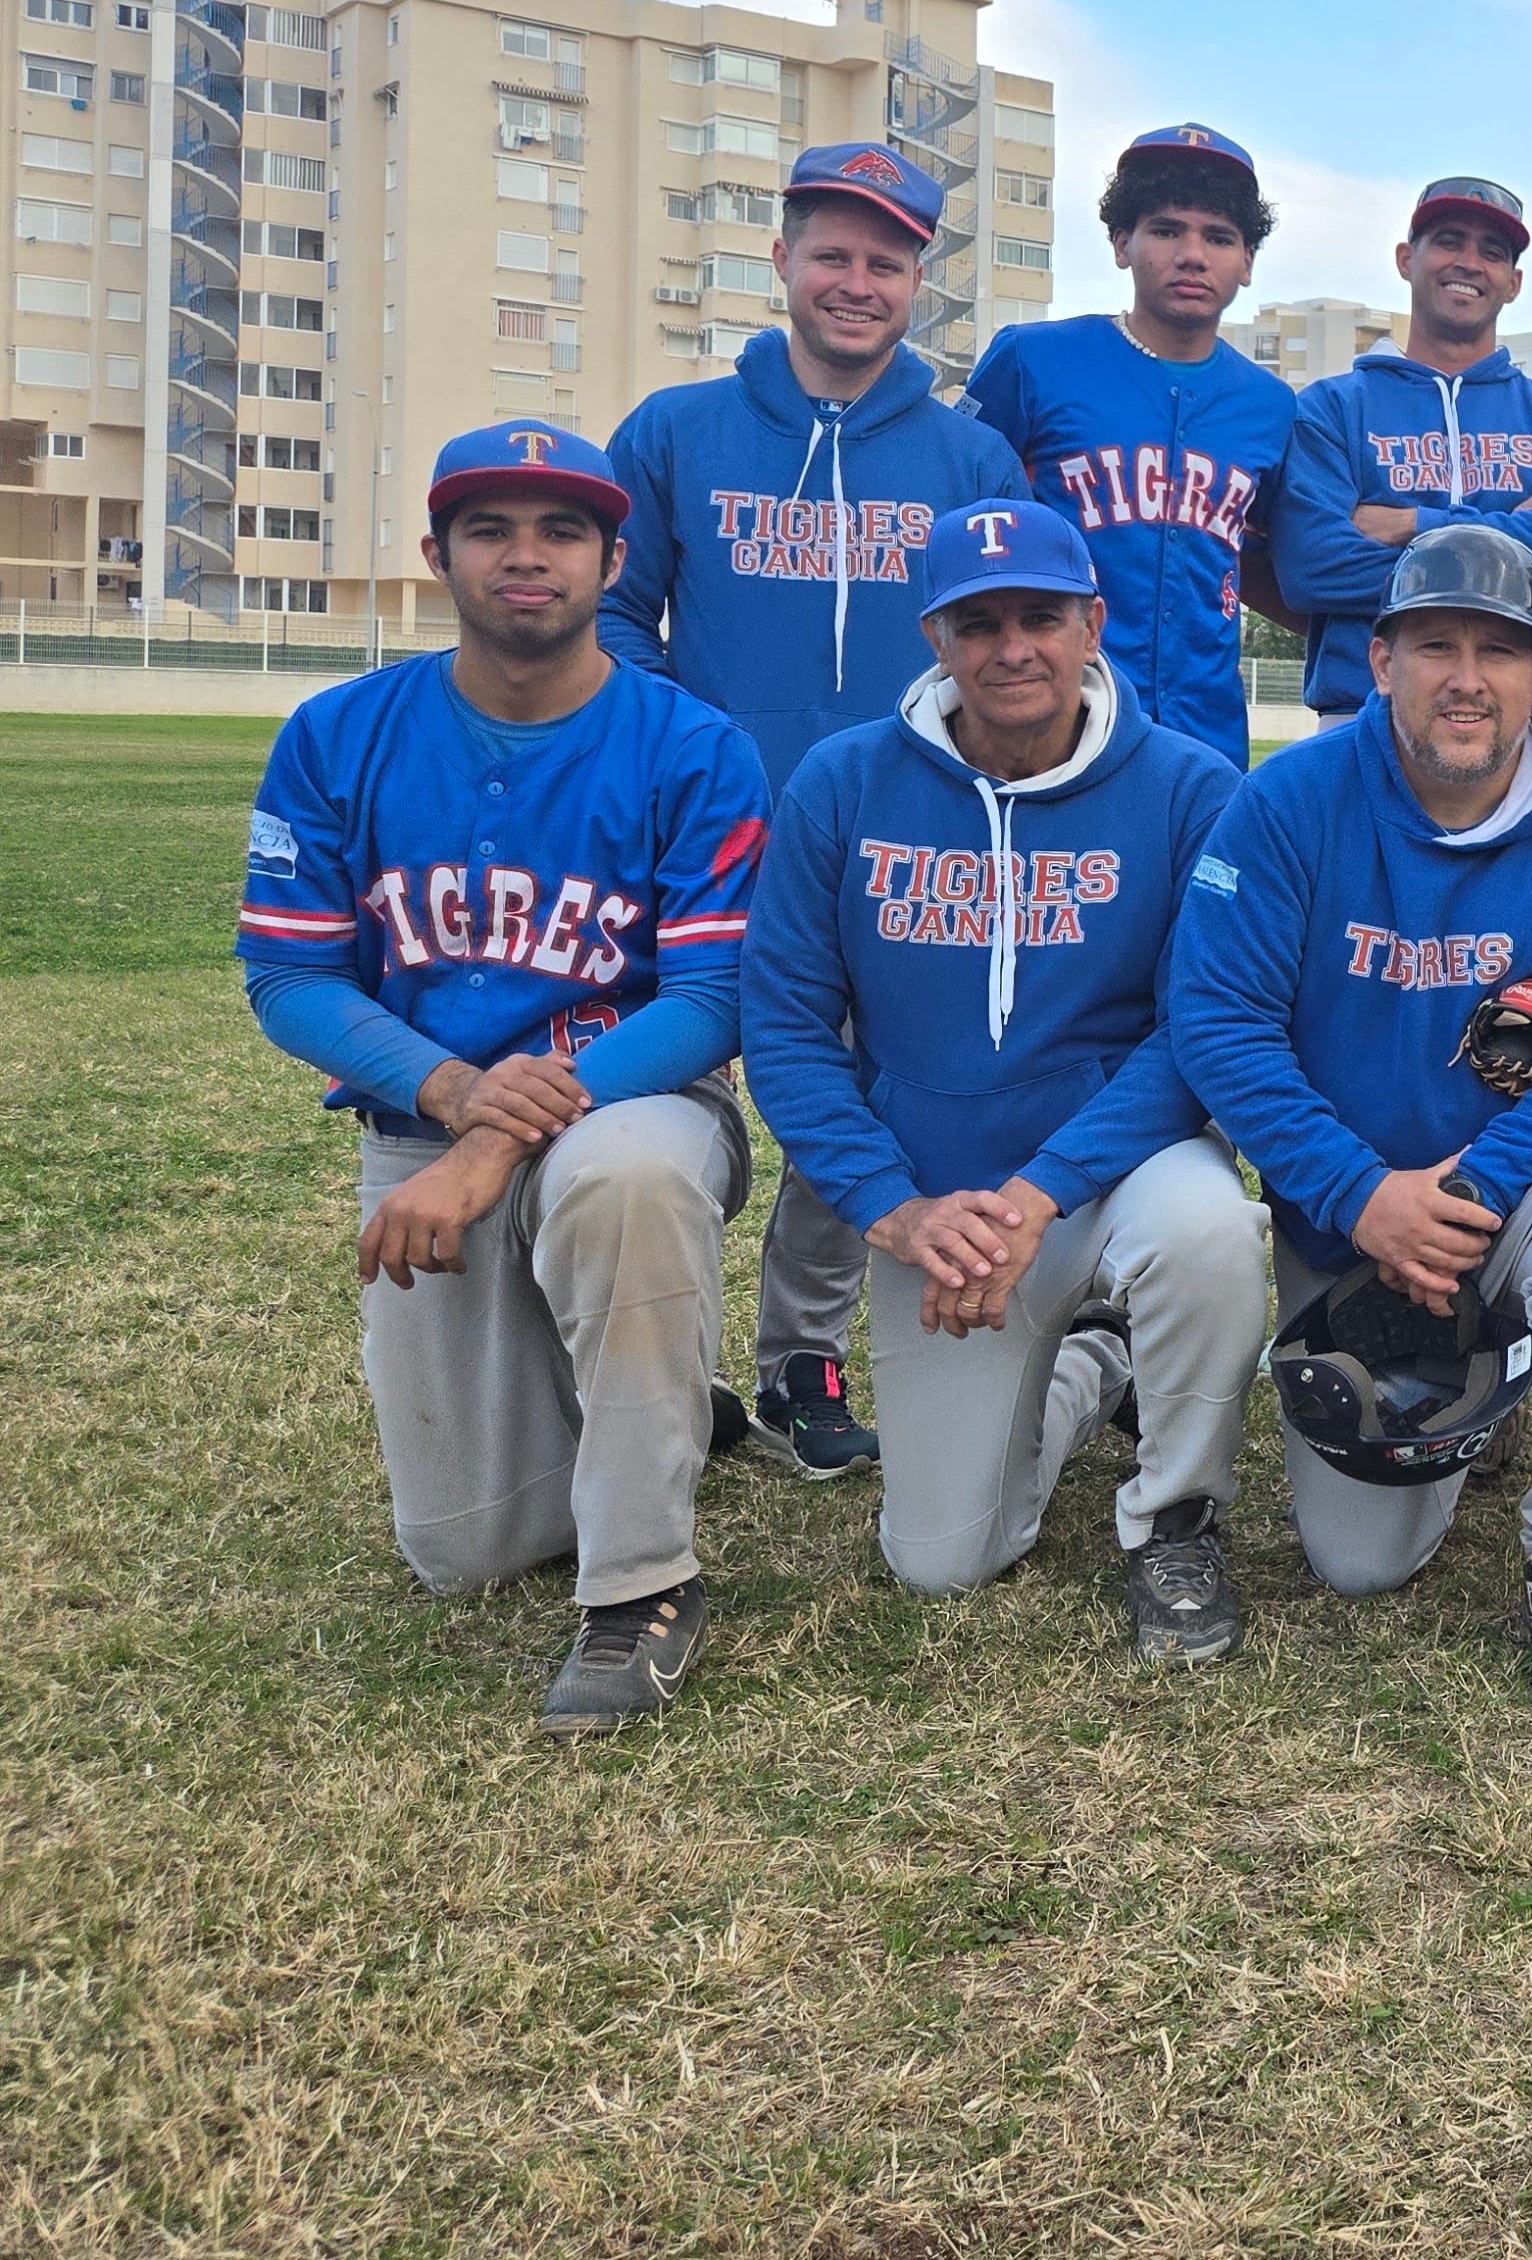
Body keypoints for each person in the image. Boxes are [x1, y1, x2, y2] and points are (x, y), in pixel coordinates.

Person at [236, 422, 767, 1733]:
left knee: (625, 1181)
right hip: (430, 1118)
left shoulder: (693, 746)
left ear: (611, 559)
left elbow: (709, 996)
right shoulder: (338, 733)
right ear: (437, 553)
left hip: (632, 1103)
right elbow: (291, 978)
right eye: (491, 528)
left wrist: (499, 1134)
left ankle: (644, 1584)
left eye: (561, 530)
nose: (526, 556)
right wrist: (454, 1098)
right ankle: (658, 1392)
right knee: (465, 1551)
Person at [1167, 524, 1532, 1706]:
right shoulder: (1290, 799)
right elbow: (1217, 1021)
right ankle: (1486, 1382)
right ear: (1381, 658)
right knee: (1362, 1566)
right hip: (1343, 1219)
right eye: (1435, 644)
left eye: (1499, 650)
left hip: (1504, 1194)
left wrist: (1463, 1193)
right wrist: (1361, 1195)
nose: (1467, 676)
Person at [741, 501, 1264, 1660]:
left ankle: (1175, 1515)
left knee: (1211, 1231)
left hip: (1115, 1169)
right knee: (942, 1560)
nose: (1011, 647)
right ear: (936, 635)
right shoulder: (842, 782)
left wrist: (1040, 1194)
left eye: (1040, 616)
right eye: (978, 622)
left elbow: (1200, 1032)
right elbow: (782, 1023)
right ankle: (1093, 1361)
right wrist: (896, 1205)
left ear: (1093, 622)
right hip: (939, 1202)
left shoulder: (1189, 787)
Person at [604, 138, 1022, 1479]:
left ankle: (799, 1358)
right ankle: (656, 1372)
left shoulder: (969, 457)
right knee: (667, 1110)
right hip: (706, 843)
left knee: (857, 1103)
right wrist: (692, 766)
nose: (857, 281)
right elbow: (620, 618)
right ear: (781, 260)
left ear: (918, 284)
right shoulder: (675, 433)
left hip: (889, 842)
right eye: (832, 252)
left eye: (886, 260)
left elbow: (1004, 653)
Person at [961, 122, 1296, 768]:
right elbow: (956, 517)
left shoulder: (1271, 407)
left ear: (1247, 262)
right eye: (1167, 230)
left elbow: (1272, 562)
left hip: (1209, 736)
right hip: (1050, 728)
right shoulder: (1033, 361)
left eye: (1220, 237)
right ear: (1122, 242)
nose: (1193, 255)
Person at [1269, 175, 1532, 737]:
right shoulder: (1331, 409)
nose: (1470, 262)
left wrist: (1414, 523)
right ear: (1407, 258)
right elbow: (1310, 566)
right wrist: (1516, 541)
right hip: (1362, 714)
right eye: (1449, 241)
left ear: (1514, 282)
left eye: (1493, 252)